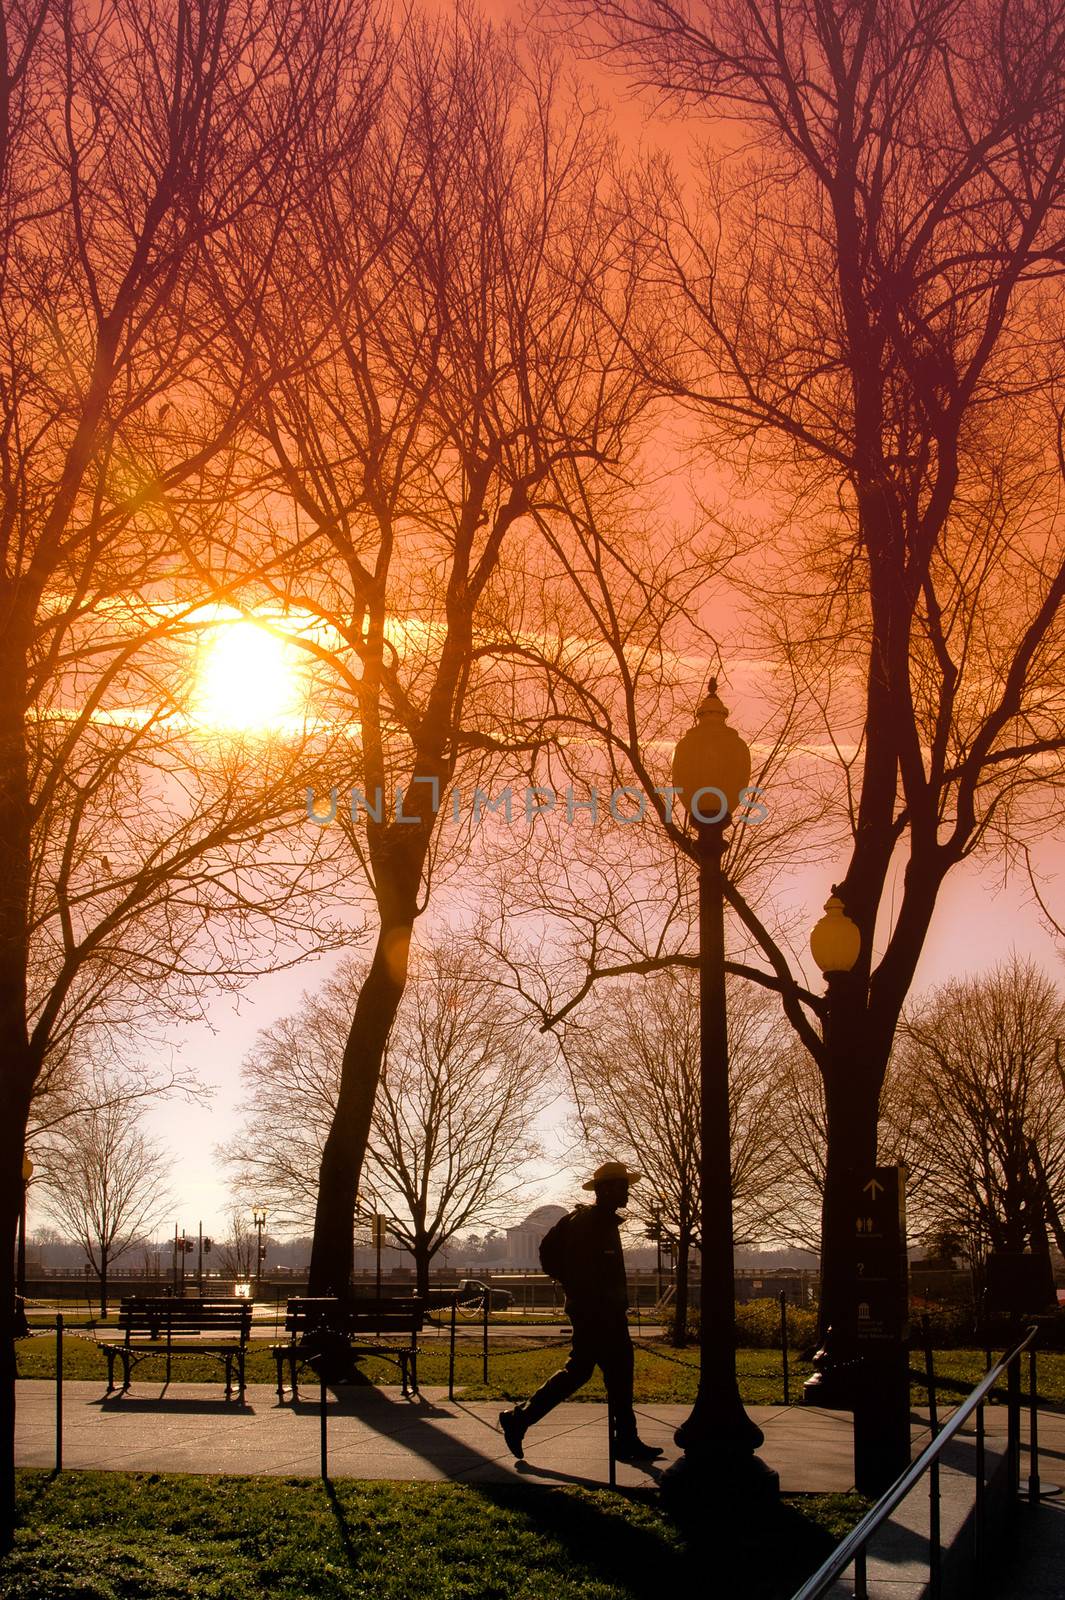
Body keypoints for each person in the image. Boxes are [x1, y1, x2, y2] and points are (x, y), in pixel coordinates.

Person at [499, 1160, 663, 1465]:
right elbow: (564, 1261)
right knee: (607, 1371)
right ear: (606, 1189)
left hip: (599, 1310)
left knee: (597, 1372)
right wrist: (580, 1290)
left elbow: (551, 1256)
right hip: (598, 1313)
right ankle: (520, 1419)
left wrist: (573, 1287)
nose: (628, 1193)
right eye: (623, 1187)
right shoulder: (590, 1222)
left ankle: (623, 1438)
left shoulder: (592, 1220)